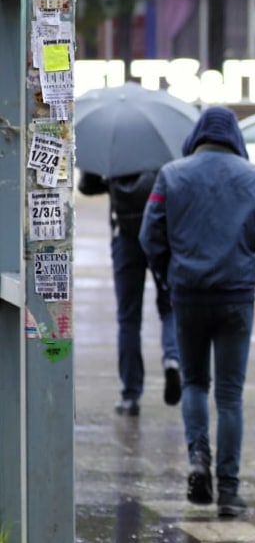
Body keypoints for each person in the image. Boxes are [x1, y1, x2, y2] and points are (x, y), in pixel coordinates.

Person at [139, 106, 255, 518]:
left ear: (197, 136)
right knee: (229, 395)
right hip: (236, 295)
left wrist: (167, 271)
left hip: (188, 293)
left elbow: (148, 235)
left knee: (194, 383)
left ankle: (197, 461)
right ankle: (228, 490)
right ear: (235, 139)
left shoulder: (171, 175)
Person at [78, 169, 181, 416]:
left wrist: (109, 181)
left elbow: (86, 186)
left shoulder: (114, 149)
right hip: (161, 234)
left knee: (128, 318)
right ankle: (173, 359)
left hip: (124, 236)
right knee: (169, 307)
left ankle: (130, 395)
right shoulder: (162, 149)